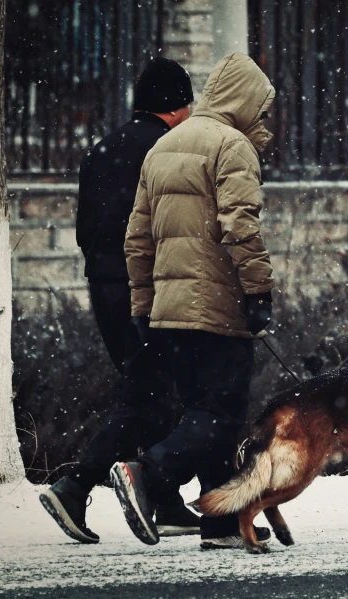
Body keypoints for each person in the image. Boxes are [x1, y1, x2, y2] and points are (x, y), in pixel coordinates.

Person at [110, 53, 276, 550]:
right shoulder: (233, 145)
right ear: (245, 102)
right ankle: (149, 472)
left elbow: (136, 240)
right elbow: (240, 229)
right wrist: (259, 291)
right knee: (222, 414)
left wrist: (143, 308)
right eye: (261, 109)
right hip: (216, 308)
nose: (263, 120)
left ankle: (220, 523)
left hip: (168, 310)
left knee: (203, 414)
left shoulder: (163, 147)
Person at [39, 57, 200, 543]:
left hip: (104, 284)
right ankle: (75, 485)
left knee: (151, 387)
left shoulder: (101, 148)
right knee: (149, 394)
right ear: (175, 106)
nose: (192, 112)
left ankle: (167, 503)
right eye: (189, 102)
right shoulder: (167, 148)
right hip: (144, 286)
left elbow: (84, 229)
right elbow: (168, 226)